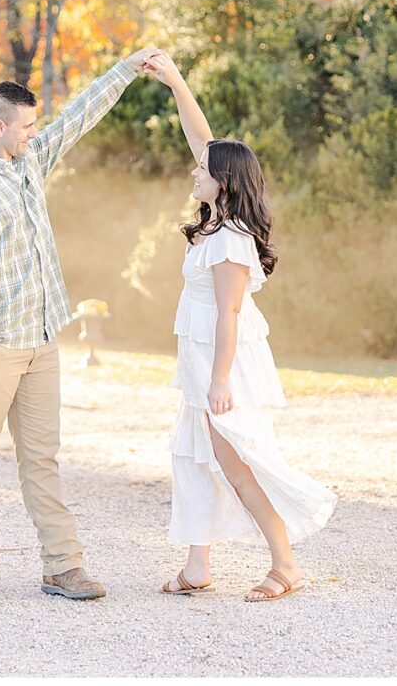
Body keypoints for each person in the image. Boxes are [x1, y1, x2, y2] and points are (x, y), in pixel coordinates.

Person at [0, 46, 161, 605]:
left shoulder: (28, 161)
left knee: (42, 460)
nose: (37, 132)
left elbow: (80, 116)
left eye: (36, 124)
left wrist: (126, 69)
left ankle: (62, 567)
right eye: (27, 125)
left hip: (41, 341)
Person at [142, 51, 336, 601]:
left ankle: (285, 563)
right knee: (195, 456)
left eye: (202, 170)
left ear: (223, 182)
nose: (193, 170)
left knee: (239, 463)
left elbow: (228, 313)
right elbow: (198, 135)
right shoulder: (216, 224)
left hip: (224, 363)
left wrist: (220, 379)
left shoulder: (229, 241)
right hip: (203, 359)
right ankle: (197, 565)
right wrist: (176, 81)